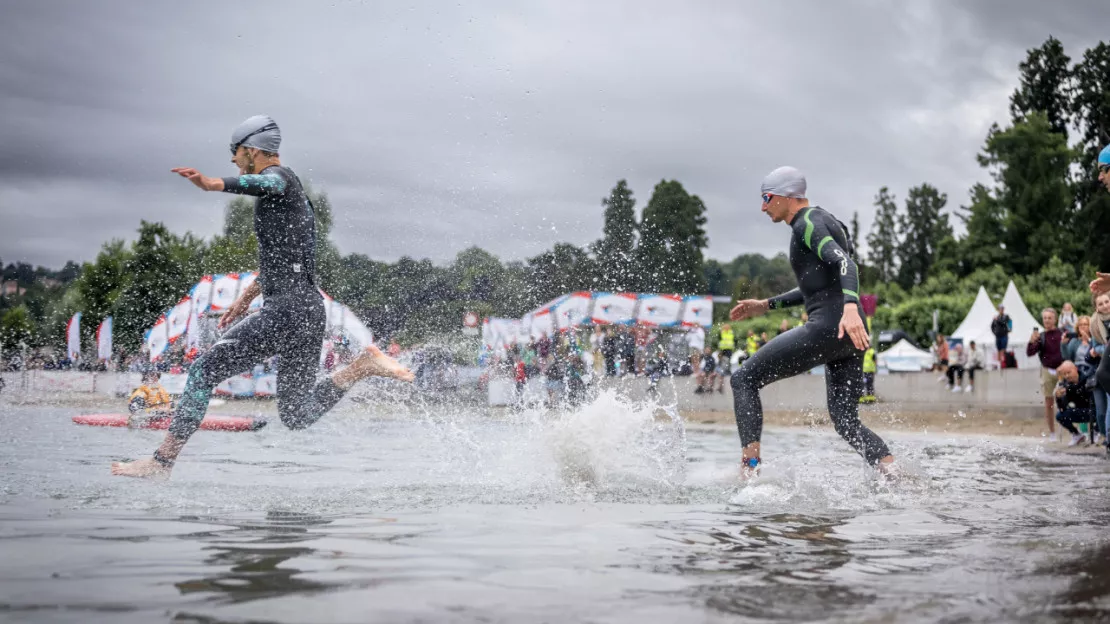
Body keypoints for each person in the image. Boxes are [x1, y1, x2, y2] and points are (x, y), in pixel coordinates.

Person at [112, 115, 414, 478]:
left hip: (286, 310)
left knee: (202, 373)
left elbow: (265, 182)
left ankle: (160, 463)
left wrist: (212, 184)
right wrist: (243, 299)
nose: (233, 161)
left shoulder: (281, 180)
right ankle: (360, 368)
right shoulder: (292, 199)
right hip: (307, 310)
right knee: (296, 414)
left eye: (235, 153)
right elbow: (280, 259)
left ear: (253, 150)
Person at [729, 166, 894, 477]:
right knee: (845, 422)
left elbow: (845, 263)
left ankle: (749, 471)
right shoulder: (827, 220)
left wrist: (848, 308)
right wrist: (767, 305)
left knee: (743, 380)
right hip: (849, 333)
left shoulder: (806, 223)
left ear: (787, 196)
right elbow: (818, 286)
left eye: (766, 198)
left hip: (832, 325)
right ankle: (895, 475)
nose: (763, 207)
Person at [1027, 308, 1064, 442]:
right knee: (1049, 403)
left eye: (1049, 318)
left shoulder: (1061, 334)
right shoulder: (1041, 336)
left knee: (1064, 400)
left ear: (1055, 319)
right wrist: (1032, 341)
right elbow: (1030, 352)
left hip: (1061, 370)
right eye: (1045, 318)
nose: (1047, 320)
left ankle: (1069, 429)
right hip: (1047, 370)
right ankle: (1052, 432)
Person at [1052, 361, 1094, 447]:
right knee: (1060, 415)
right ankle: (1077, 435)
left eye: (1069, 372)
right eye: (1065, 374)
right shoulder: (1065, 384)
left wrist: (1069, 389)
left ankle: (1098, 432)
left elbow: (1082, 389)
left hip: (1092, 410)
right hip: (1079, 411)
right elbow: (1062, 408)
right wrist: (1059, 398)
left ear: (1075, 369)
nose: (1067, 376)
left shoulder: (1086, 377)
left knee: (1099, 411)